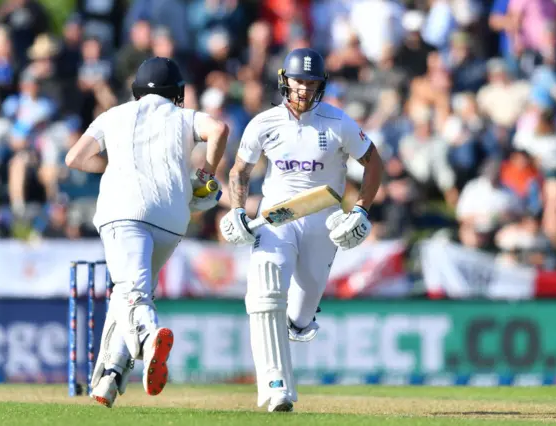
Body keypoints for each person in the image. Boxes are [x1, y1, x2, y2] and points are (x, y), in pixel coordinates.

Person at [219, 47, 383, 412]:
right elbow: (240, 171)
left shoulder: (337, 121)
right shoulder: (264, 123)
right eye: (298, 81)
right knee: (265, 292)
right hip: (276, 217)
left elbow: (374, 164)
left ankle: (298, 322)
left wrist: (360, 210)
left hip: (322, 219)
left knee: (300, 314)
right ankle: (276, 388)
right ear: (284, 81)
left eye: (311, 82)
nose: (304, 89)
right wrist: (236, 211)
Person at [65, 57, 229, 407]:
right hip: (172, 220)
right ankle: (110, 376)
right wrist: (205, 174)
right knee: (128, 291)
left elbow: (74, 159)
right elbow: (219, 130)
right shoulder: (184, 117)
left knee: (131, 293)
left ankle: (152, 336)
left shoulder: (114, 115)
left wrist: (115, 164)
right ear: (177, 93)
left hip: (124, 213)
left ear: (136, 90)